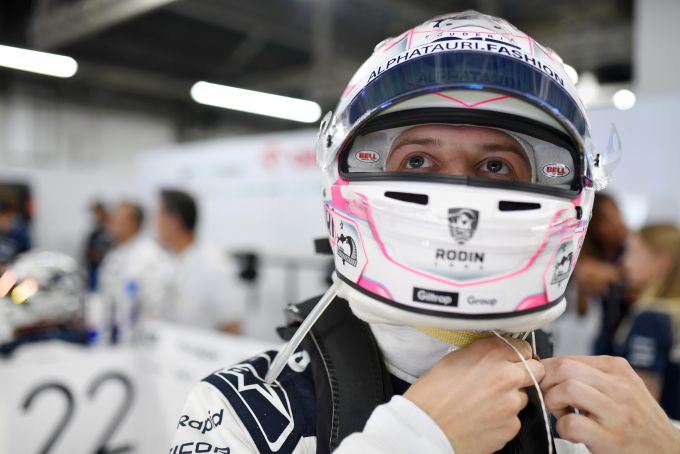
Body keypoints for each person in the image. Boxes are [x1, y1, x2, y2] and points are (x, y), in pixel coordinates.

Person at [171, 11, 680, 454]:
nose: (458, 201)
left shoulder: (600, 428)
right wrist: (416, 439)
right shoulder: (240, 412)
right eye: (417, 161)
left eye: (496, 166)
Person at [156, 189, 245, 334]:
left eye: (158, 215)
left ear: (174, 221)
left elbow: (233, 326)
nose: (155, 223)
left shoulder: (214, 264)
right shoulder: (167, 261)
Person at [616, 224, 680, 420]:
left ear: (661, 261)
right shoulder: (672, 314)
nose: (624, 261)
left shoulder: (651, 317)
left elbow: (641, 399)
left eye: (634, 252)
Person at [98, 201, 168, 342]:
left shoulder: (149, 256)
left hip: (140, 339)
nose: (112, 222)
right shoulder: (114, 255)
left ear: (134, 223)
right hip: (113, 336)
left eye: (118, 218)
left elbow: (155, 305)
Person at [572, 193, 630, 355]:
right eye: (606, 220)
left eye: (616, 213)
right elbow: (581, 313)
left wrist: (615, 275)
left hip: (627, 338)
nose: (616, 223)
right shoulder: (585, 257)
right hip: (601, 340)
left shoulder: (631, 249)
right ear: (593, 226)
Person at [83, 201, 112, 290]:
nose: (95, 215)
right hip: (94, 266)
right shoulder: (97, 229)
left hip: (103, 265)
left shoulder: (109, 228)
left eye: (97, 212)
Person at [0, 198, 31, 272]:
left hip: (12, 272)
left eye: (9, 217)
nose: (7, 221)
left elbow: (27, 257)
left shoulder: (19, 235)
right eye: (3, 217)